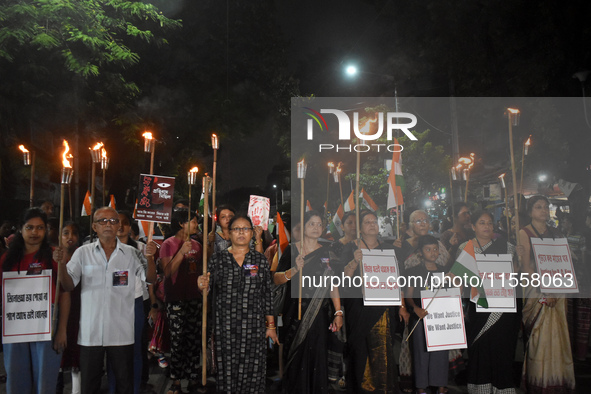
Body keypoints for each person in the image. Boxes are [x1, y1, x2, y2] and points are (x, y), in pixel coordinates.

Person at [57, 207, 156, 394]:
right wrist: (61, 264)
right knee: (89, 385)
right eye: (103, 221)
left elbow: (150, 278)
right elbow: (68, 285)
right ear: (94, 226)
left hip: (121, 332)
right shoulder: (82, 253)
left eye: (113, 221)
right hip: (90, 332)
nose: (108, 225)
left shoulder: (131, 253)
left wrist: (149, 259)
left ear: (118, 224)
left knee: (123, 384)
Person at [199, 214, 279, 393]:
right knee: (228, 371)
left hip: (254, 327)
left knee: (254, 371)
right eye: (237, 229)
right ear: (230, 233)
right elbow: (207, 288)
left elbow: (267, 294)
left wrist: (271, 326)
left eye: (246, 229)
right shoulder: (218, 259)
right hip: (225, 327)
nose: (241, 232)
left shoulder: (259, 261)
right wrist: (201, 284)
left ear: (252, 233)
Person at [1, 208, 70, 394]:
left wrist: (62, 330)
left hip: (46, 327)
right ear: (21, 230)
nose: (34, 232)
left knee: (45, 382)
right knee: (16, 381)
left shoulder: (55, 256)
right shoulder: (6, 260)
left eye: (40, 228)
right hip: (15, 329)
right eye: (29, 227)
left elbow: (65, 293)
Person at [275, 210, 343, 393]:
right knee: (295, 356)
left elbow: (333, 284)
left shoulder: (327, 252)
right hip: (294, 313)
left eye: (319, 224)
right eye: (311, 224)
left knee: (317, 356)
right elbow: (277, 279)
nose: (316, 228)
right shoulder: (292, 249)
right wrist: (295, 269)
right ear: (303, 227)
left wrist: (338, 312)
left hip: (319, 314)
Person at [342, 210, 409, 393]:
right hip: (359, 307)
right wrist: (354, 262)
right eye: (367, 222)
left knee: (382, 351)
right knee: (360, 350)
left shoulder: (391, 250)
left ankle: (384, 388)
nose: (372, 224)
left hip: (382, 308)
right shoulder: (351, 248)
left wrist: (402, 306)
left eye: (374, 221)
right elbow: (344, 279)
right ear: (360, 227)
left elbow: (399, 280)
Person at [517, 196, 575, 394]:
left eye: (545, 207)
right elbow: (526, 268)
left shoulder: (555, 233)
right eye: (538, 207)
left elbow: (560, 262)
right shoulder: (524, 233)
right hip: (536, 290)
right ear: (530, 210)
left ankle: (556, 379)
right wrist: (544, 290)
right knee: (538, 338)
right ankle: (538, 381)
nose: (543, 210)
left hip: (557, 289)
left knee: (558, 335)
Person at [459, 211, 520, 394]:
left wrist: (520, 257)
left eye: (490, 223)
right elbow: (461, 277)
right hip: (478, 305)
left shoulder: (507, 246)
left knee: (502, 346)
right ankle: (481, 386)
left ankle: (502, 386)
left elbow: (514, 272)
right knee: (481, 347)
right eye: (482, 222)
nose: (487, 226)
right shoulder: (466, 247)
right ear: (473, 226)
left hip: (503, 305)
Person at [159, 209, 204, 394]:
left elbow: (200, 270)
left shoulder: (197, 245)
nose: (196, 224)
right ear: (181, 224)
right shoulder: (168, 244)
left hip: (194, 298)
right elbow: (167, 273)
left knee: (193, 340)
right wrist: (181, 253)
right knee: (177, 341)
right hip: (176, 299)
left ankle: (193, 378)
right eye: (192, 221)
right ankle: (176, 381)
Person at [405, 235, 449, 394]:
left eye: (435, 249)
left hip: (440, 319)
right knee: (420, 352)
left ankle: (441, 385)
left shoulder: (445, 272)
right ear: (420, 252)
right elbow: (408, 295)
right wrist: (414, 308)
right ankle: (421, 386)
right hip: (420, 319)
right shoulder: (413, 272)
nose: (433, 252)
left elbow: (451, 294)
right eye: (428, 249)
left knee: (441, 352)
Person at [57, 222, 82, 394]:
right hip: (55, 312)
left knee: (76, 355)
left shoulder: (82, 256)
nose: (70, 237)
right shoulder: (51, 257)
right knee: (56, 355)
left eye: (74, 233)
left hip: (78, 311)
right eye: (65, 233)